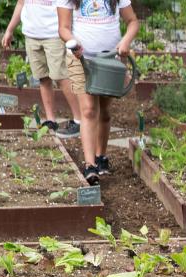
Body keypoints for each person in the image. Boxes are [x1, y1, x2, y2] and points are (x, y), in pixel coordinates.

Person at [56, 0, 139, 184]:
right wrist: (74, 43)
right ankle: (90, 165)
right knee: (88, 110)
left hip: (111, 60)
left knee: (104, 112)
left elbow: (133, 21)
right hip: (80, 59)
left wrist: (125, 42)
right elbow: (63, 28)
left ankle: (101, 156)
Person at [2, 0, 82, 138]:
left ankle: (80, 120)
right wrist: (9, 29)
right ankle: (51, 119)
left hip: (54, 35)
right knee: (43, 78)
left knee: (61, 77)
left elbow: (68, 6)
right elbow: (21, 3)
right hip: (31, 35)